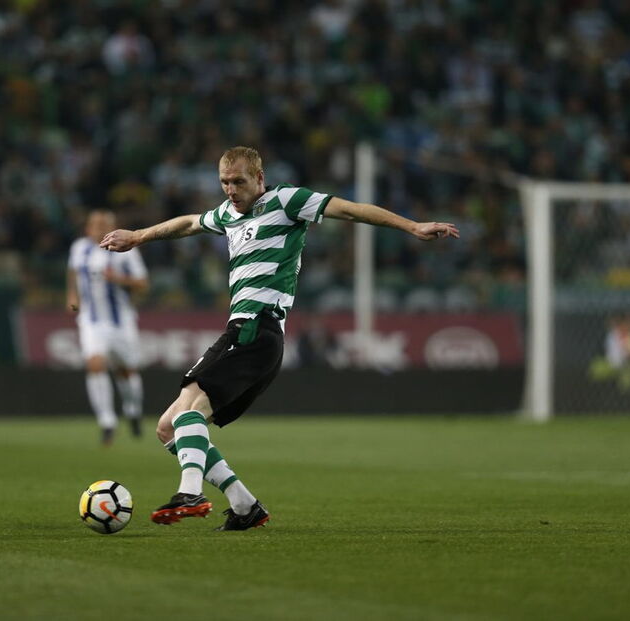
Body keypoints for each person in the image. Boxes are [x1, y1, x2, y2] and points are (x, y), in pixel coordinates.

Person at [100, 146, 459, 530]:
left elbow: (351, 209)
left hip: (257, 326)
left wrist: (412, 226)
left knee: (190, 412)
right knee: (168, 427)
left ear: (259, 178)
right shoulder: (227, 214)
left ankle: (190, 492)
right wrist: (137, 236)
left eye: (238, 181)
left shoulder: (287, 200)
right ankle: (244, 506)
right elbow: (188, 223)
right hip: (246, 332)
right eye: (224, 181)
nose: (230, 189)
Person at [67, 209, 149, 446]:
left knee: (127, 372)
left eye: (105, 224)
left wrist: (118, 279)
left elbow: (143, 284)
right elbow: (73, 273)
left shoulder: (125, 250)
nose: (100, 228)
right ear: (88, 228)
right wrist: (71, 295)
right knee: (95, 364)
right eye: (96, 224)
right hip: (91, 321)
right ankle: (107, 422)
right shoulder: (78, 248)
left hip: (121, 320)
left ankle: (133, 410)